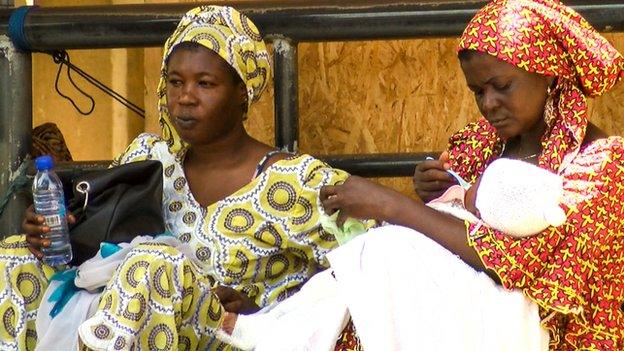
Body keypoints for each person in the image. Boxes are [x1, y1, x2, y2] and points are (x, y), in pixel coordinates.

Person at [1, 6, 351, 351]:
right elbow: (95, 246)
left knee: (155, 262)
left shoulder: (294, 183)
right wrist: (53, 234)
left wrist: (265, 314)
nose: (185, 98)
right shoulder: (150, 160)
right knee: (14, 258)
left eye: (205, 84)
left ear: (242, 92)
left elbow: (376, 262)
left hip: (237, 337)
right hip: (127, 327)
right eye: (175, 82)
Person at [319, 0, 624, 350]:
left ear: (548, 72)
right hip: (467, 306)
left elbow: (521, 264)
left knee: (386, 257)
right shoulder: (486, 142)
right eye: (478, 91)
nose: (489, 103)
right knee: (374, 274)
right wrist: (438, 193)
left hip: (550, 335)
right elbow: (456, 223)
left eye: (502, 85)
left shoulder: (601, 164)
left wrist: (392, 205)